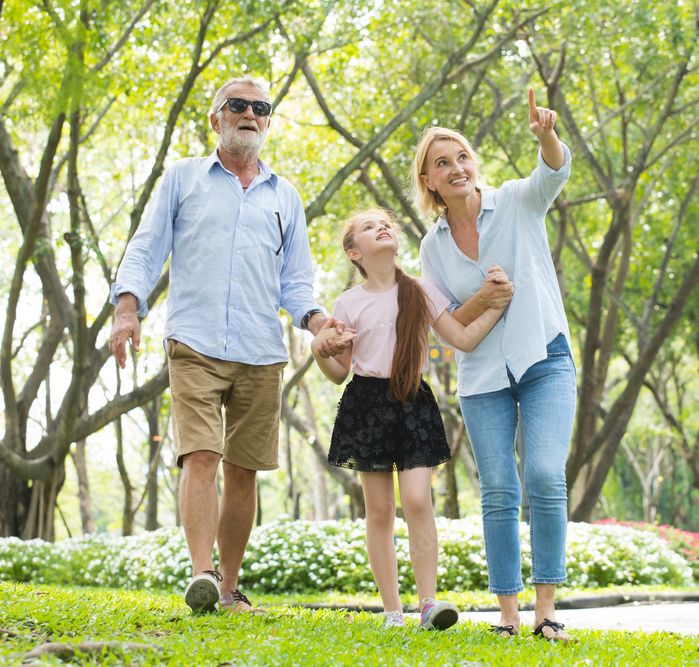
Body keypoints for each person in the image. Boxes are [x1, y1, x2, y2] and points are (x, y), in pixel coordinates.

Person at [109, 76, 345, 614]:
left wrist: (317, 322)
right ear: (216, 119)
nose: (249, 114)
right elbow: (146, 247)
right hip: (194, 341)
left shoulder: (285, 196)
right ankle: (202, 576)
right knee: (201, 455)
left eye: (260, 107)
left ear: (268, 121)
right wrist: (127, 309)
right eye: (237, 105)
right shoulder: (183, 177)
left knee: (243, 468)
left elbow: (296, 282)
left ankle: (230, 587)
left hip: (261, 350)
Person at [412, 88, 576, 642]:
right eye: (442, 163)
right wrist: (484, 298)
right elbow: (448, 326)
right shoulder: (432, 249)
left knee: (545, 475)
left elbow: (553, 173)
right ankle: (508, 614)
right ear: (429, 181)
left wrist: (547, 136)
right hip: (482, 376)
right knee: (499, 488)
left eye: (462, 157)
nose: (456, 168)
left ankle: (545, 611)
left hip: (545, 355)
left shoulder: (516, 201)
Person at [310, 208, 510, 631]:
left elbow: (462, 337)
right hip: (367, 405)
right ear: (354, 253)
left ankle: (428, 604)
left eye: (385, 224)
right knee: (380, 510)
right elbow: (339, 372)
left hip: (412, 400)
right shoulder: (348, 303)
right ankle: (392, 611)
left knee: (418, 500)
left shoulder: (419, 290)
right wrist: (318, 350)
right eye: (368, 228)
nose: (382, 227)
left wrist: (495, 305)